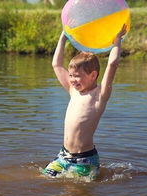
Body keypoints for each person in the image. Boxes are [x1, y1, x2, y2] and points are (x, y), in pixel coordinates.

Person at [43, 24, 127, 179]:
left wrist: (117, 40)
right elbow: (56, 64)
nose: (72, 80)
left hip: (85, 160)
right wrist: (64, 36)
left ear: (93, 75)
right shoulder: (73, 90)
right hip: (63, 157)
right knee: (43, 180)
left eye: (77, 76)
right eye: (71, 75)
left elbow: (113, 64)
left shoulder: (100, 95)